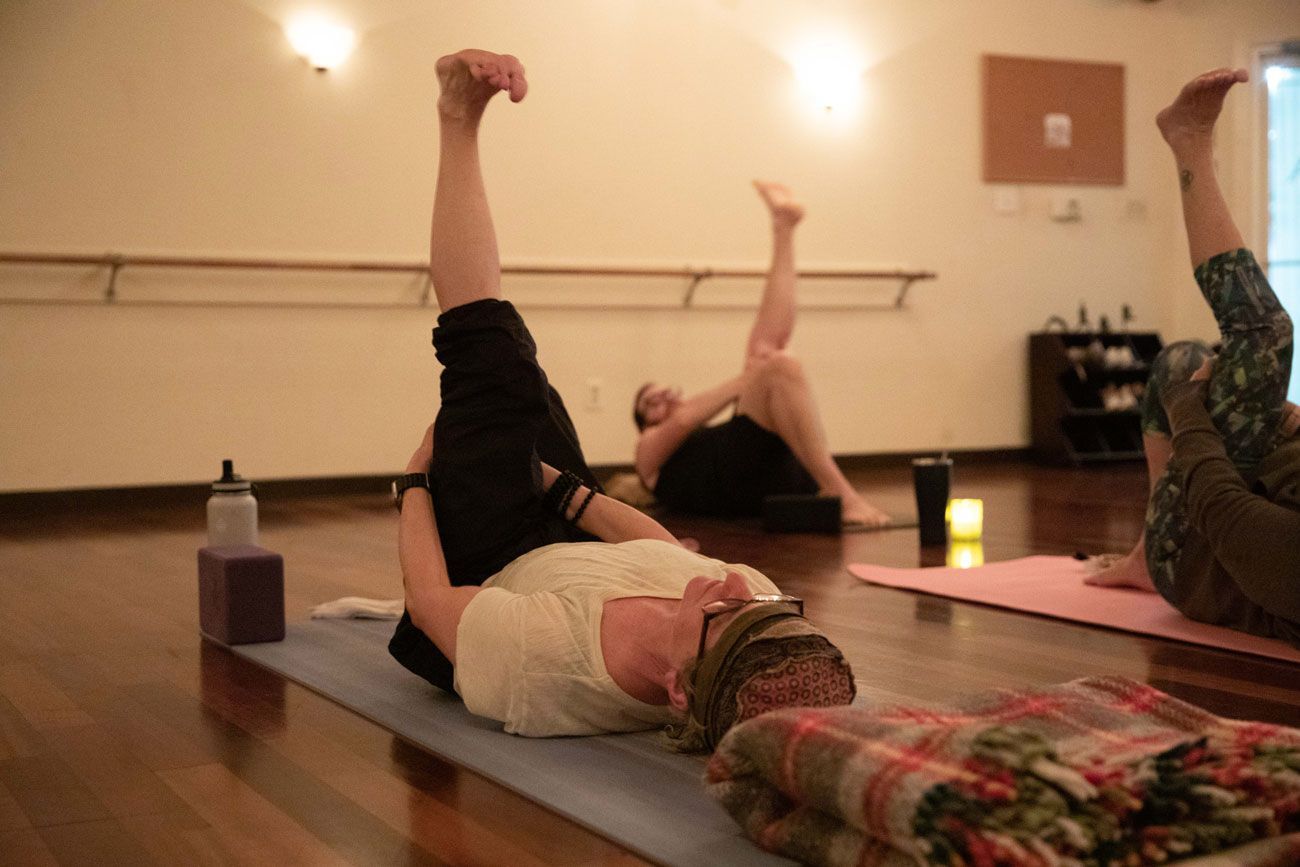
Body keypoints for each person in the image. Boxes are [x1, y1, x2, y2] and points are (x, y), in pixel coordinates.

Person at [386, 49, 856, 751]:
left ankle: (458, 117)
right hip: (571, 525)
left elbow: (429, 606)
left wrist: (417, 483)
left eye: (725, 613)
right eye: (758, 601)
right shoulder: (747, 601)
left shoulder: (547, 663)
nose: (732, 581)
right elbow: (667, 553)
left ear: (674, 687)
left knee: (498, 367)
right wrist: (563, 489)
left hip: (492, 563)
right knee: (529, 387)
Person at [1084, 68, 1300, 648]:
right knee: (1181, 357)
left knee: (1262, 333)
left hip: (1191, 555)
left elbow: (1219, 500)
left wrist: (1188, 407)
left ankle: (1189, 143)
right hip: (1243, 496)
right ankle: (1138, 554)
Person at [631, 183, 891, 527]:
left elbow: (695, 415)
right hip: (736, 485)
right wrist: (752, 376)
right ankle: (841, 493)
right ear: (643, 423)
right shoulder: (648, 456)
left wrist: (756, 373)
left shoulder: (710, 434)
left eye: (665, 390)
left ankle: (783, 228)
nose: (662, 395)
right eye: (651, 402)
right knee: (771, 362)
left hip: (766, 472)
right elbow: (681, 421)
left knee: (771, 359)